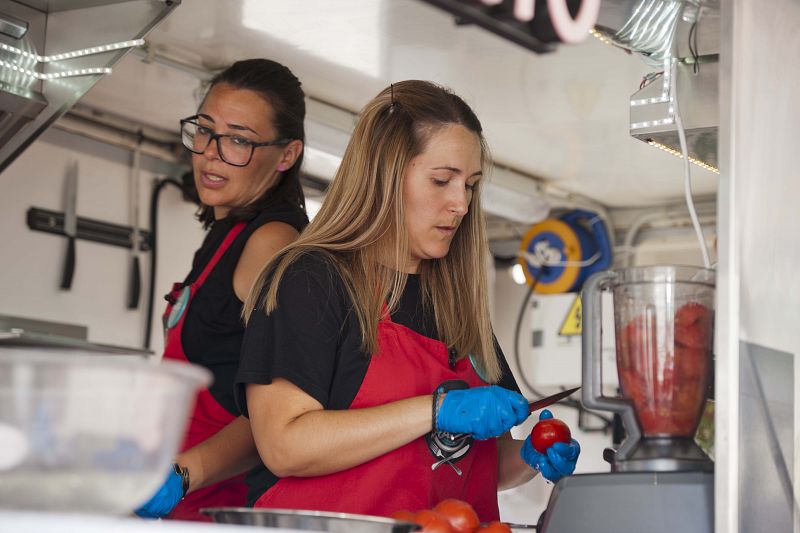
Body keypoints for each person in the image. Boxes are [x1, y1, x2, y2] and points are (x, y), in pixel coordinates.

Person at [233, 80, 580, 521]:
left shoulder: (459, 307)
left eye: (471, 185)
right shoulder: (311, 280)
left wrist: (530, 457)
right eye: (442, 180)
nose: (461, 204)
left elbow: (471, 467)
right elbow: (285, 445)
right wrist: (436, 410)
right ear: (384, 176)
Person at [135, 59, 308, 521]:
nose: (211, 153)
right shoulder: (227, 233)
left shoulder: (271, 242)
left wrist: (179, 474)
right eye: (205, 130)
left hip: (216, 509)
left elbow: (287, 411)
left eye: (239, 140)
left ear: (286, 155)